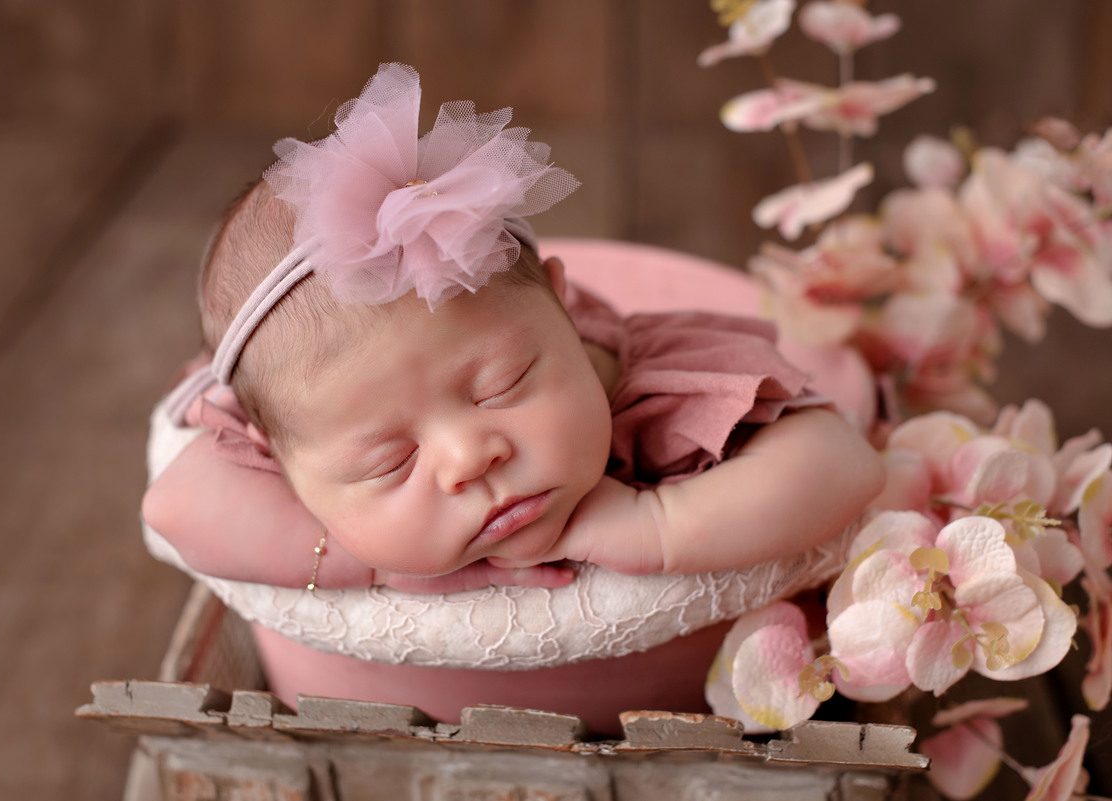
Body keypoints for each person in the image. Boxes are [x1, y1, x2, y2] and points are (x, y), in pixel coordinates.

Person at [142, 63, 884, 732]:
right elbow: (172, 507)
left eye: (503, 385)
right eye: (388, 461)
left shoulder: (653, 396)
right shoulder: (309, 413)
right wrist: (370, 562)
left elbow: (842, 462)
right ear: (274, 452)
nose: (471, 456)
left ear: (563, 310)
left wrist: (656, 522)